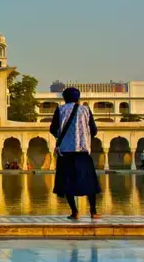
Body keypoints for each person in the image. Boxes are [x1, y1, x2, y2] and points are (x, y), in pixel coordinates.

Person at [50, 87, 101, 220]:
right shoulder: (85, 109)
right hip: (83, 151)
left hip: (66, 152)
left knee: (67, 183)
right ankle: (93, 212)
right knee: (89, 182)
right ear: (78, 98)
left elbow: (52, 129)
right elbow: (94, 130)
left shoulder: (60, 110)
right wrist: (85, 136)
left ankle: (75, 212)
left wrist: (61, 137)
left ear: (64, 98)